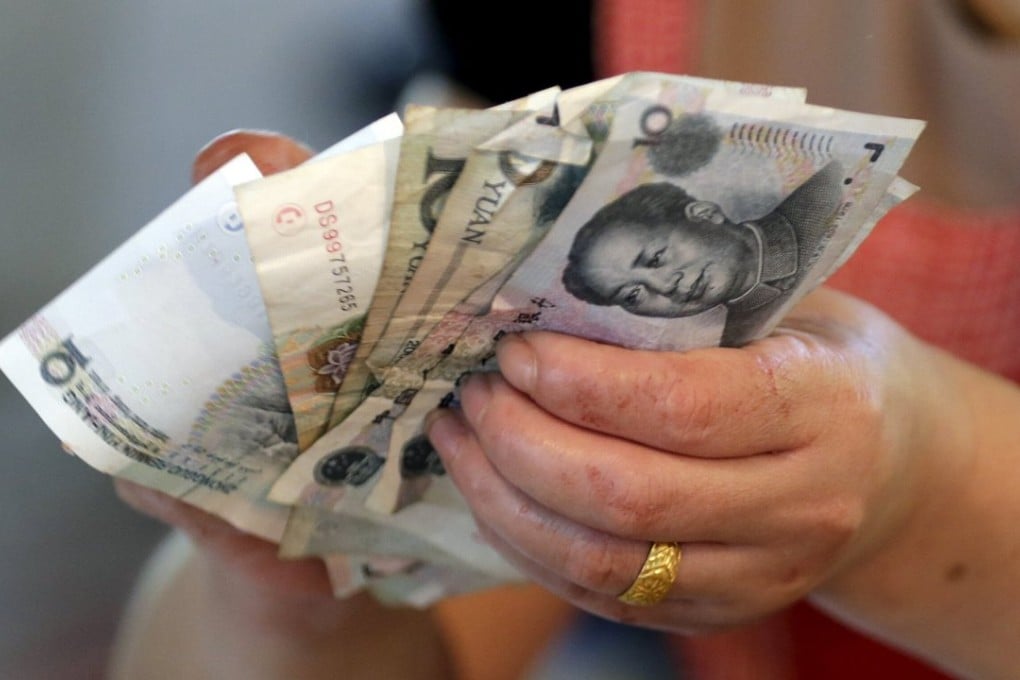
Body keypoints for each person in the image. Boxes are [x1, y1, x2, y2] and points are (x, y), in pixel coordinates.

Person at [110, 1, 1020, 679]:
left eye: (650, 263)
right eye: (632, 290)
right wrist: (293, 578)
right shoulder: (550, 26)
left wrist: (924, 489)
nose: (657, 294)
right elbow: (442, 626)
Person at [562, 162, 844, 346]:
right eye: (632, 295)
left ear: (705, 214)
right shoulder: (733, 345)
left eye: (656, 258)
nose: (663, 286)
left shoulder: (826, 194)